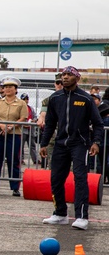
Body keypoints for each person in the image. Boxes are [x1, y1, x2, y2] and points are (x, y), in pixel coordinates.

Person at [40, 66, 103, 231]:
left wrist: (95, 142)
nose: (65, 77)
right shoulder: (55, 98)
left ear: (77, 78)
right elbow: (50, 124)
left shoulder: (86, 99)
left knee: (80, 178)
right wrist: (44, 143)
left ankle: (82, 216)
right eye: (63, 75)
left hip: (80, 144)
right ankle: (60, 213)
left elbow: (97, 123)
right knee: (55, 179)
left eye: (69, 75)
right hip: (61, 143)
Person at [0, 77, 28, 196]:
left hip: (14, 134)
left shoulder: (21, 103)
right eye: (5, 87)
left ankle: (15, 187)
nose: (8, 89)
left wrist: (11, 126)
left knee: (13, 160)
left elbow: (23, 118)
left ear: (16, 89)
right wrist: (1, 125)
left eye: (11, 87)